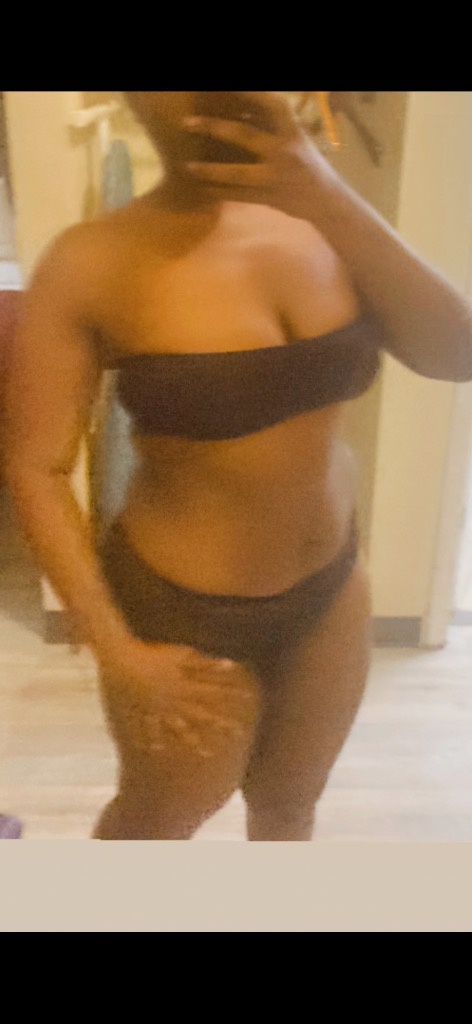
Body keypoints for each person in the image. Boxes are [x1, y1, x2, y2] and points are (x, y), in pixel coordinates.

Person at [4, 92, 472, 841]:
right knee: (162, 816)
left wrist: (327, 193)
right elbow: (38, 468)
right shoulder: (90, 260)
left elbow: (456, 352)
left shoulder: (331, 219)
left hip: (330, 589)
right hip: (182, 615)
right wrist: (118, 652)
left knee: (290, 806)